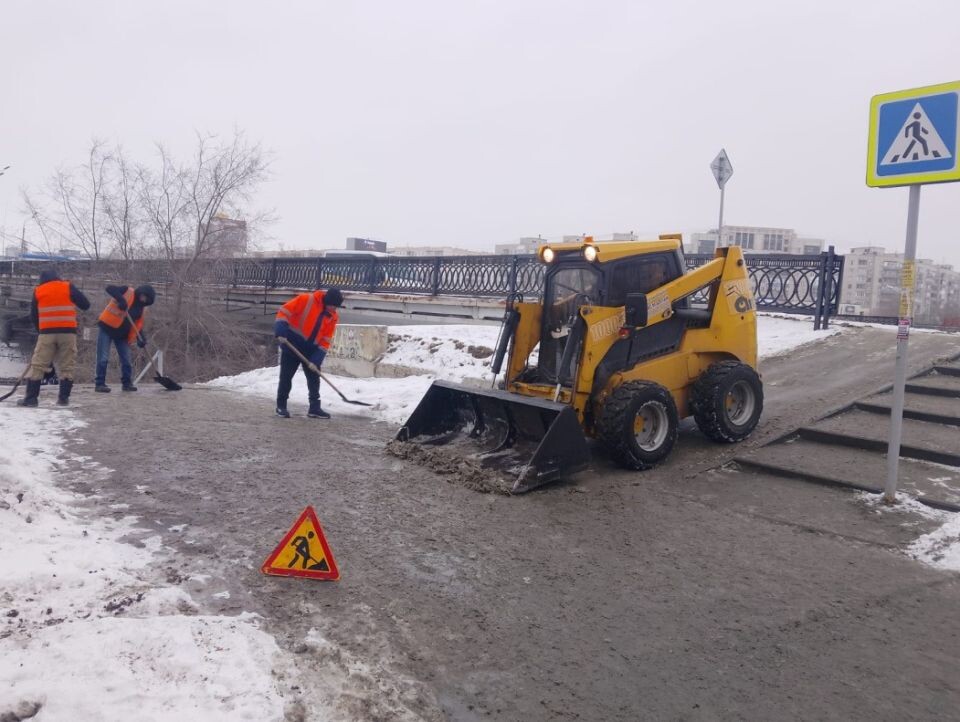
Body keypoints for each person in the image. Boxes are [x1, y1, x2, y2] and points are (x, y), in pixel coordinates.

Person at [18, 267, 90, 407]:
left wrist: (41, 331)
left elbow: (34, 316)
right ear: (57, 277)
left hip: (47, 333)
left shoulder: (38, 290)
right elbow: (85, 305)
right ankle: (63, 399)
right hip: (68, 333)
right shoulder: (67, 286)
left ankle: (31, 399)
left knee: (38, 365)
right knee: (67, 366)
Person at [273, 287, 343, 419]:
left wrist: (316, 360)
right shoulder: (306, 300)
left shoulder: (333, 317)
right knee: (286, 377)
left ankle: (314, 408)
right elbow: (284, 312)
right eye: (332, 306)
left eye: (336, 307)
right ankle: (281, 406)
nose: (334, 309)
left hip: (310, 351)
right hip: (291, 345)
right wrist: (281, 331)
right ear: (326, 301)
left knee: (314, 380)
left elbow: (325, 341)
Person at [94, 284, 156, 392]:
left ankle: (127, 384)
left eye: (146, 299)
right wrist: (121, 300)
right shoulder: (127, 291)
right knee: (103, 358)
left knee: (126, 360)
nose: (143, 299)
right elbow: (109, 288)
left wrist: (141, 338)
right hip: (107, 328)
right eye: (144, 296)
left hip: (122, 335)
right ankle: (100, 384)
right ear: (141, 292)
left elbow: (137, 326)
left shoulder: (141, 309)